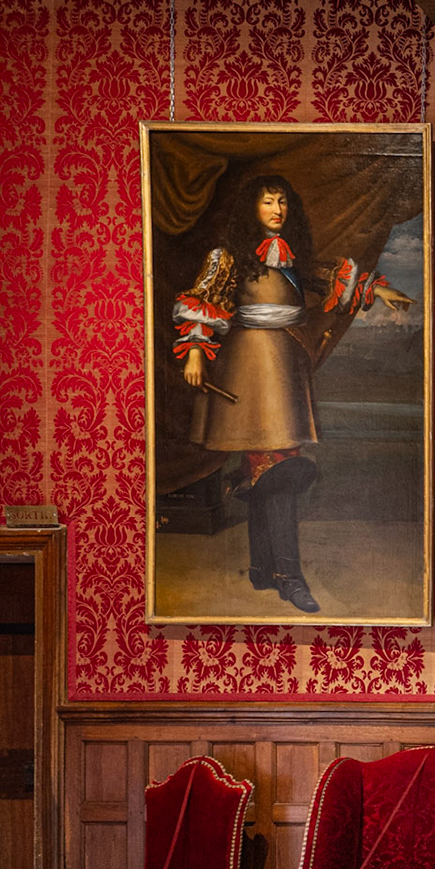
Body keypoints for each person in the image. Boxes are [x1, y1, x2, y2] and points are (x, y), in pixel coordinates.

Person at [171, 175, 411, 613]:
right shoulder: (228, 257)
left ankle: (265, 569)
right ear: (252, 208)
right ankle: (290, 577)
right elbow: (202, 300)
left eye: (282, 201)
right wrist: (193, 354)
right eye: (267, 202)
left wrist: (375, 286)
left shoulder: (291, 258)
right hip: (249, 366)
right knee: (276, 464)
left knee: (269, 466)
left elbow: (331, 276)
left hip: (285, 367)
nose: (276, 209)